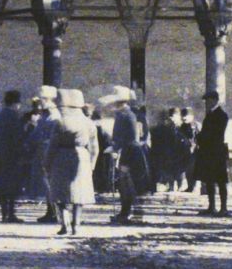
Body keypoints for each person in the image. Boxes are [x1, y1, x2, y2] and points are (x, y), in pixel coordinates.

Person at [46, 89, 99, 236]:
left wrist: (47, 163)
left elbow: (52, 145)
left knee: (60, 194)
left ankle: (64, 224)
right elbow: (95, 147)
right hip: (82, 156)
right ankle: (76, 225)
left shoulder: (60, 123)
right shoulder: (88, 123)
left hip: (61, 156)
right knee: (79, 195)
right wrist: (92, 164)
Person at [103, 88, 149, 224]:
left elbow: (131, 138)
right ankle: (125, 213)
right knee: (124, 185)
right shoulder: (123, 114)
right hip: (127, 152)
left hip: (131, 153)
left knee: (130, 185)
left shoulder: (127, 115)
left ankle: (132, 215)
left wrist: (116, 147)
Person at [0, 91, 28, 222]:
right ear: (16, 103)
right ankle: (11, 213)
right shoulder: (14, 116)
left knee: (1, 184)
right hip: (12, 153)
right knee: (12, 184)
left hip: (0, 151)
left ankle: (4, 213)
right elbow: (18, 136)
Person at [193, 92, 232, 214]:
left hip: (216, 151)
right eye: (206, 101)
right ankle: (212, 206)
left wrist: (199, 136)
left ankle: (223, 208)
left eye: (209, 101)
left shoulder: (221, 115)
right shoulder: (211, 115)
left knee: (220, 180)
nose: (207, 103)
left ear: (215, 100)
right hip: (209, 152)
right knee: (209, 179)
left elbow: (214, 134)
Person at [27, 88, 62, 223]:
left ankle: (55, 212)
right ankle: (50, 210)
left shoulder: (54, 116)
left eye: (41, 99)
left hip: (50, 152)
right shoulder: (45, 115)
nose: (38, 103)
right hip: (42, 151)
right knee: (46, 182)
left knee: (51, 183)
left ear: (48, 100)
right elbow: (36, 133)